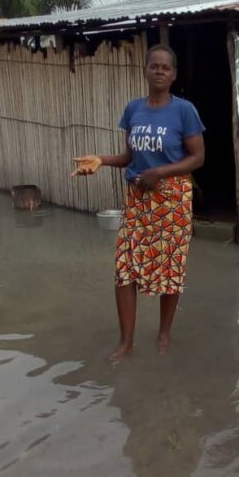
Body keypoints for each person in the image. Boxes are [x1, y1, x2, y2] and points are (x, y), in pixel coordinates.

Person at [72, 44, 205, 363]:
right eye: (154, 66)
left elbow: (198, 158)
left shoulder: (184, 110)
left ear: (173, 75)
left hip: (171, 198)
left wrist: (160, 171)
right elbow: (131, 157)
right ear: (145, 70)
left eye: (165, 67)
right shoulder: (133, 110)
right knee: (124, 269)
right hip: (138, 200)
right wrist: (101, 160)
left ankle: (164, 333)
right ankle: (126, 342)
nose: (159, 71)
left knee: (170, 269)